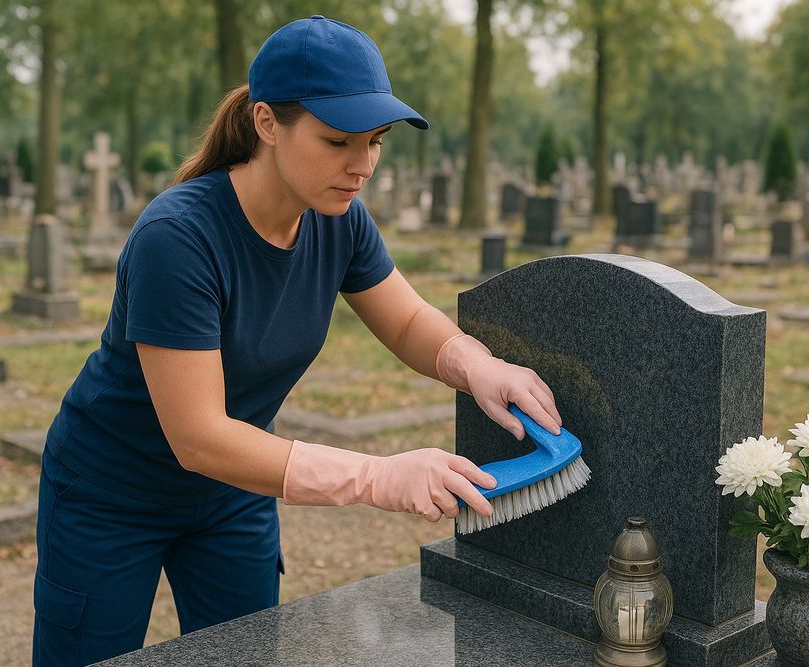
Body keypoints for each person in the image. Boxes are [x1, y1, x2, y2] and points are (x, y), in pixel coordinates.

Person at [32, 15, 561, 666]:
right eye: (338, 140)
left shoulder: (339, 219)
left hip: (232, 494)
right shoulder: (177, 239)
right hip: (110, 495)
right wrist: (373, 474)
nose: (361, 165)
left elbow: (404, 320)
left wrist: (477, 364)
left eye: (376, 141)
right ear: (266, 124)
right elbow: (197, 436)